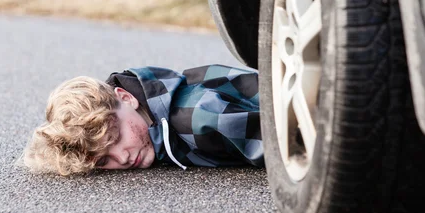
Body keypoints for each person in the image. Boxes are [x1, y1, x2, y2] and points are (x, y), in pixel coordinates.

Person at [21, 64, 264, 176]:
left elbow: (287, 145)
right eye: (104, 159)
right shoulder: (154, 115)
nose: (123, 157)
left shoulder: (198, 118)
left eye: (116, 137)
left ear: (126, 98)